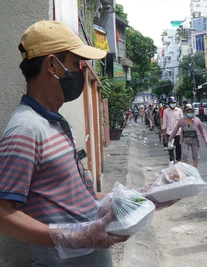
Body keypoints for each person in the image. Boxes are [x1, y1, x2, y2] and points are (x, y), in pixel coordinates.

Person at [0, 20, 127, 266]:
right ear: (51, 65)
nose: (80, 71)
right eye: (76, 64)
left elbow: (73, 197)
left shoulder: (56, 123)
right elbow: (2, 213)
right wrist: (68, 237)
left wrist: (125, 198)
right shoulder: (25, 130)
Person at [162, 97, 183, 163]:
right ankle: (172, 159)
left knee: (178, 146)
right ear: (169, 103)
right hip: (169, 132)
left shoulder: (179, 110)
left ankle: (178, 159)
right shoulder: (166, 111)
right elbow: (164, 121)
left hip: (178, 132)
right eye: (171, 103)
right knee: (170, 146)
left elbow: (182, 121)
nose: (172, 104)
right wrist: (164, 131)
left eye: (174, 103)